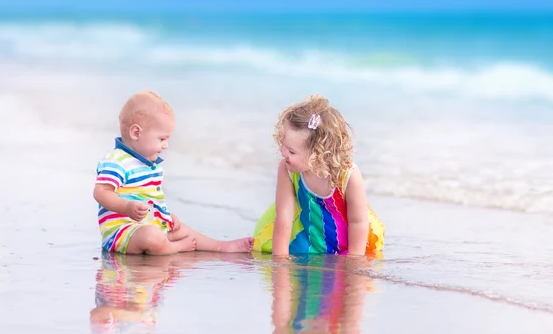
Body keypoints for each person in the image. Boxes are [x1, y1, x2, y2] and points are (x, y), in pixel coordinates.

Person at [93, 90, 254, 255]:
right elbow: (101, 192)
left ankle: (219, 246)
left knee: (180, 228)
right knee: (152, 236)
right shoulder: (117, 161)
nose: (166, 145)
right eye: (162, 139)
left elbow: (149, 200)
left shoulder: (149, 164)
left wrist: (164, 215)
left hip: (146, 227)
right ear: (136, 133)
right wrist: (126, 207)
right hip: (121, 233)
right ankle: (174, 248)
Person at [253, 95, 385, 255]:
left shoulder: (348, 175)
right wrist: (280, 261)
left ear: (318, 154)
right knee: (295, 252)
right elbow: (284, 217)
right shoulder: (286, 169)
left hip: (350, 234)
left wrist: (354, 261)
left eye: (292, 151)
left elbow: (358, 222)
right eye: (283, 144)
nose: (283, 153)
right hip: (310, 230)